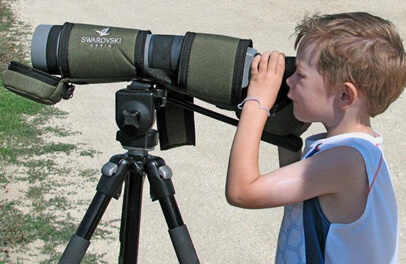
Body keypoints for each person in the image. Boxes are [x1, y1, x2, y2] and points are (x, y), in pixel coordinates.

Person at [226, 12, 406, 263]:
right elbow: (301, 197)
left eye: (300, 74)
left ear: (345, 95)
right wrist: (285, 126)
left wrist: (257, 102)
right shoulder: (357, 150)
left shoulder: (345, 162)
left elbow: (242, 191)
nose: (288, 80)